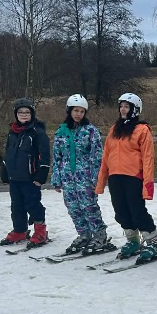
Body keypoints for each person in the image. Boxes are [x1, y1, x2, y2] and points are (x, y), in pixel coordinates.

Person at [95, 92, 157, 263]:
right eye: (121, 106)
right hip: (115, 177)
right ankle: (133, 241)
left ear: (135, 109)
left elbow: (148, 158)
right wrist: (100, 183)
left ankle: (153, 243)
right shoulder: (114, 129)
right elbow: (106, 156)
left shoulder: (142, 130)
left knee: (137, 211)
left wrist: (147, 185)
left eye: (126, 107)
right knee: (120, 211)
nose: (122, 109)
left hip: (133, 177)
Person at [51, 94, 112, 254]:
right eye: (75, 111)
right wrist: (56, 179)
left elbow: (97, 156)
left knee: (89, 207)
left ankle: (99, 236)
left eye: (82, 111)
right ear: (69, 111)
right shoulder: (61, 131)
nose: (78, 114)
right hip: (67, 178)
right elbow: (57, 157)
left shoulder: (90, 131)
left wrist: (95, 178)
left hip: (85, 177)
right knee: (73, 208)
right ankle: (84, 234)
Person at [0, 98, 51, 246]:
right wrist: (5, 170)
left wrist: (41, 175)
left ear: (32, 114)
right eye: (20, 112)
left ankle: (40, 231)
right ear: (16, 114)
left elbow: (44, 155)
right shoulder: (12, 132)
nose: (23, 115)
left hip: (30, 177)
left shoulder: (37, 132)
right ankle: (19, 231)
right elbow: (8, 153)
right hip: (15, 177)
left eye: (27, 112)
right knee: (17, 206)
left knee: (33, 204)